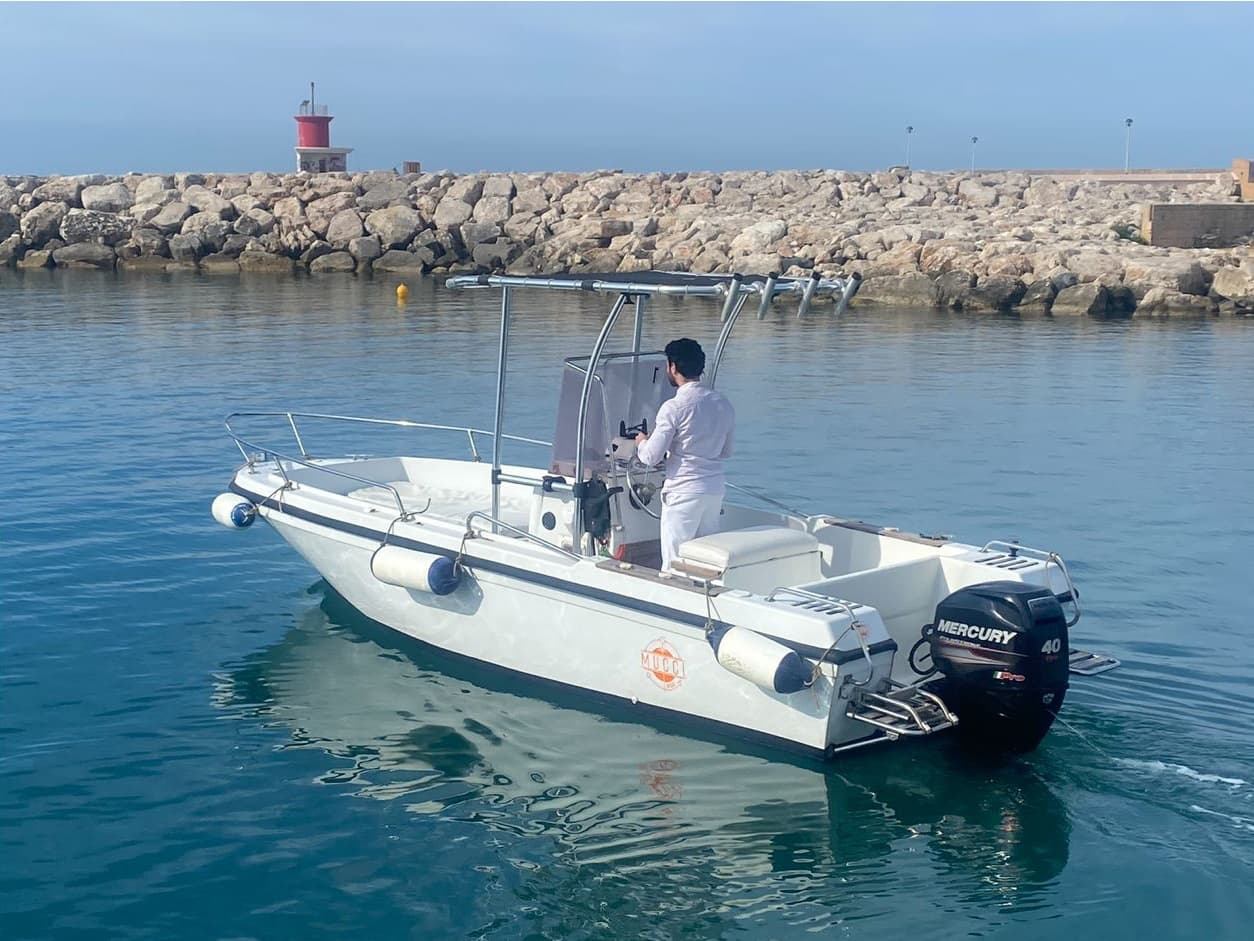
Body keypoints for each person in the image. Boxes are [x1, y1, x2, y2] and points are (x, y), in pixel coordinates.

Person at [635, 338, 735, 572]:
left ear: (672, 367)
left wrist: (641, 442)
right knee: (704, 561)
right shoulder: (723, 403)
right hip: (713, 490)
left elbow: (650, 457)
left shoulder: (674, 407)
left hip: (683, 493)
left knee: (674, 562)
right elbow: (726, 451)